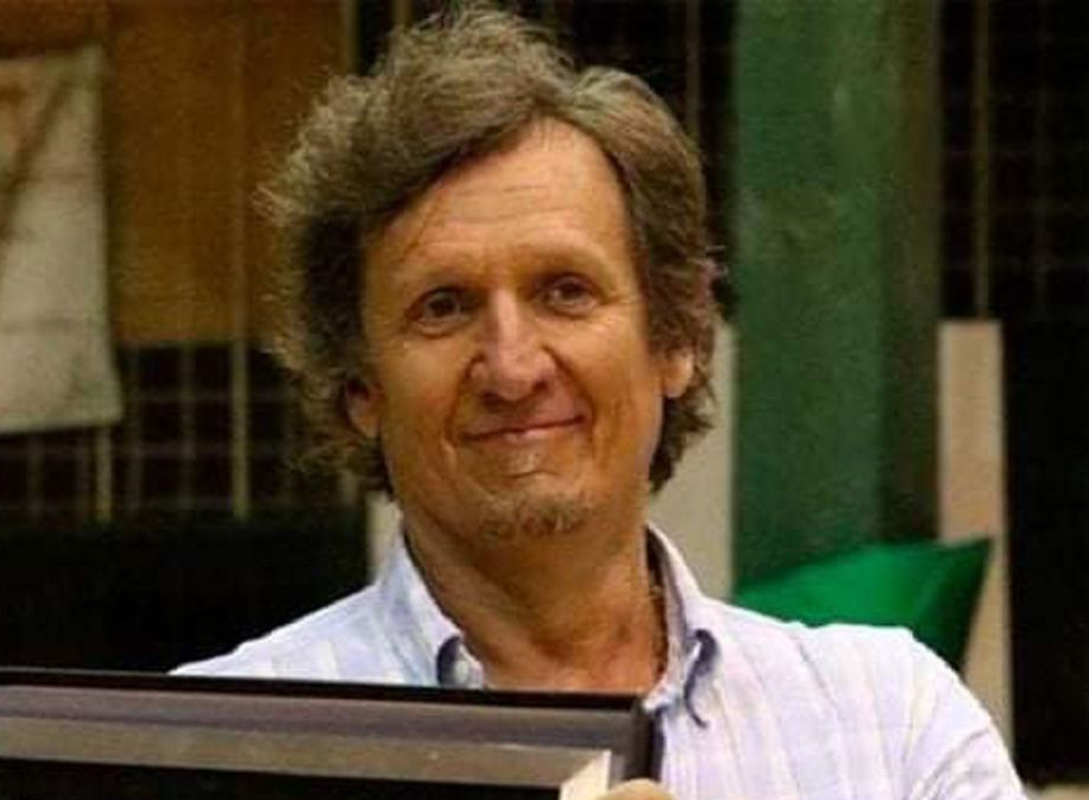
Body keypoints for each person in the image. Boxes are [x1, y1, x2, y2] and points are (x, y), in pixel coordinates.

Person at [179, 5, 1024, 798]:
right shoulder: (216, 749)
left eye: (565, 291)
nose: (512, 369)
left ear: (676, 340)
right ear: (360, 388)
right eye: (443, 307)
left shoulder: (889, 724)